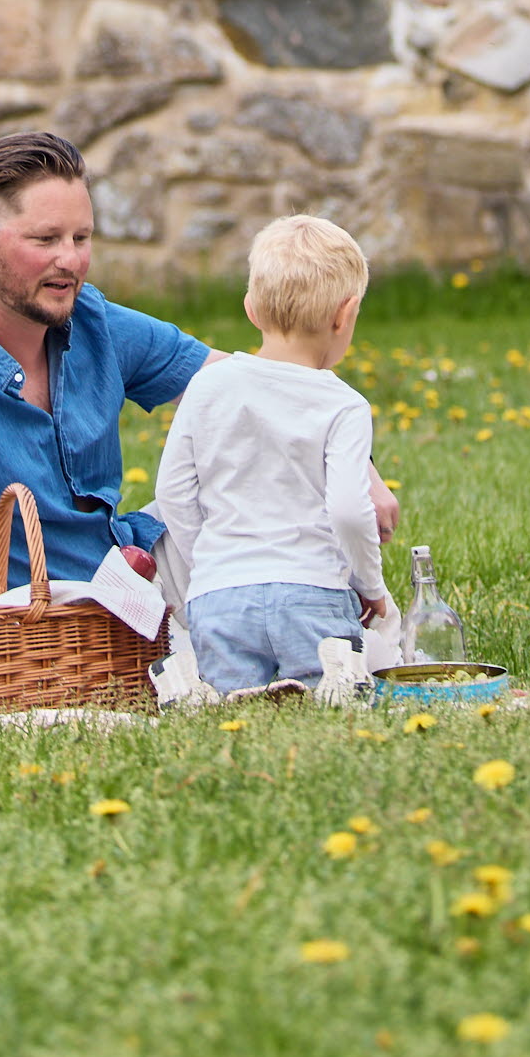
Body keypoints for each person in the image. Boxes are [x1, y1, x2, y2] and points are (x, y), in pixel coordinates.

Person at [0, 134, 396, 693]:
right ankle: (305, 655)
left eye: (81, 237)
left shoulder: (89, 318)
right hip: (28, 626)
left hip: (129, 575)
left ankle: (343, 642)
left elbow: (251, 378)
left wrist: (359, 470)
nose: (69, 260)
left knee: (288, 507)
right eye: (44, 239)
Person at [153, 215, 389, 697]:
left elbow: (172, 492)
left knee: (235, 718)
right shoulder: (344, 405)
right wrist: (371, 584)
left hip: (218, 598)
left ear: (250, 309)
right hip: (312, 596)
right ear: (344, 315)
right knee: (331, 711)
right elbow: (348, 509)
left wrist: (215, 562)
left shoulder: (206, 386)